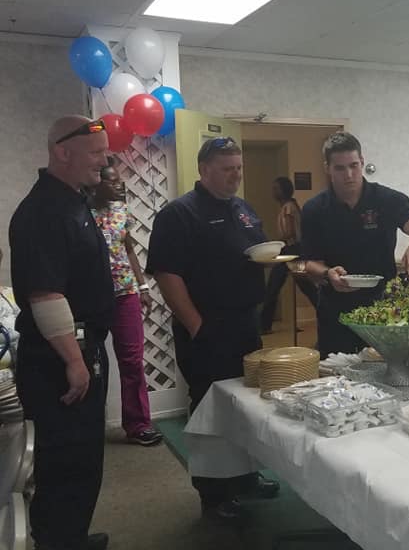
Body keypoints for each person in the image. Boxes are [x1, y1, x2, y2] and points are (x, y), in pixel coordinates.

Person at [146, 137, 279, 522]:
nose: (235, 175)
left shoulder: (243, 209)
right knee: (210, 409)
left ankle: (245, 478)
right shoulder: (179, 214)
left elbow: (254, 250)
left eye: (238, 167)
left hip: (244, 323)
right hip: (206, 327)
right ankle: (214, 496)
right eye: (227, 168)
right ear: (204, 170)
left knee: (245, 405)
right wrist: (196, 325)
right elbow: (167, 274)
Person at [9, 115, 112, 550]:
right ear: (61, 152)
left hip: (79, 353)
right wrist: (74, 360)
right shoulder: (44, 210)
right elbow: (46, 295)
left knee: (83, 459)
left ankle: (73, 536)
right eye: (96, 153)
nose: (104, 161)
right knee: (63, 463)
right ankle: (58, 542)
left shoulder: (73, 200)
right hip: (58, 363)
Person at [297, 132, 409, 356]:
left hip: (384, 306)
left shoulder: (387, 199)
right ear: (327, 168)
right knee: (337, 379)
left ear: (362, 162)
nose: (349, 175)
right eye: (340, 168)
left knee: (387, 371)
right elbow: (310, 263)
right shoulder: (315, 209)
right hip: (336, 311)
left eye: (353, 165)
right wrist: (327, 272)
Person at [90, 162, 164, 446]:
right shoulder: (82, 214)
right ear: (97, 182)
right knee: (92, 362)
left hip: (126, 294)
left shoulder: (121, 211)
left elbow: (129, 248)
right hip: (93, 296)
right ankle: (89, 425)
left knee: (132, 361)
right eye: (112, 180)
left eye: (120, 180)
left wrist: (143, 285)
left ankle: (138, 425)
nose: (120, 185)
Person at [261, 176, 318, 334]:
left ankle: (264, 326)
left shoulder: (288, 207)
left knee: (274, 287)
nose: (273, 192)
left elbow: (290, 232)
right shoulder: (289, 206)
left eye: (276, 188)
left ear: (284, 190)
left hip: (291, 250)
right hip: (293, 250)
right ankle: (264, 325)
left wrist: (277, 244)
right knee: (306, 287)